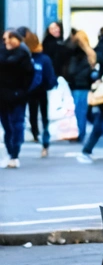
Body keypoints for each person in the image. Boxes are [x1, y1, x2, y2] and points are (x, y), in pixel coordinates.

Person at [0, 31, 34, 168]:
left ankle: (15, 154)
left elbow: (29, 76)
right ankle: (11, 153)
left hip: (17, 96)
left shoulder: (23, 55)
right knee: (7, 127)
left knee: (16, 125)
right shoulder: (1, 53)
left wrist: (21, 92)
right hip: (3, 96)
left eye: (7, 38)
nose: (5, 41)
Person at [24, 32, 57, 158]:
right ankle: (43, 141)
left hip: (34, 91)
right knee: (43, 117)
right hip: (42, 91)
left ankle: (38, 136)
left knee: (36, 115)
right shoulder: (43, 58)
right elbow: (50, 76)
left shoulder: (31, 58)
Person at [62, 30, 96, 143]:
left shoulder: (74, 54)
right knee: (81, 111)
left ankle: (78, 134)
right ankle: (80, 133)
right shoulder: (90, 54)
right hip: (86, 86)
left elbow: (71, 70)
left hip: (76, 85)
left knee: (77, 112)